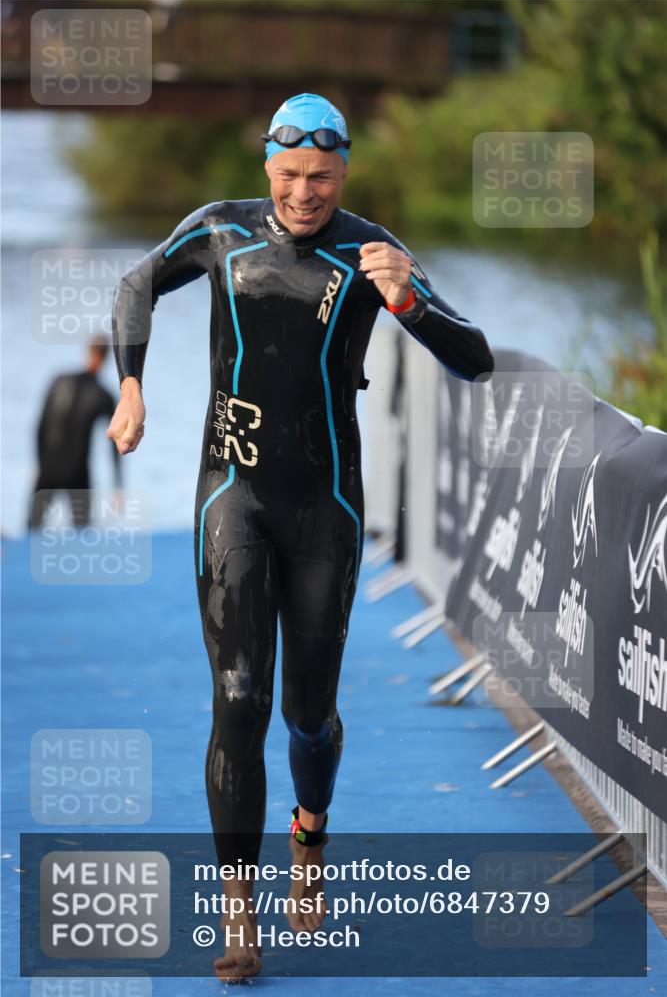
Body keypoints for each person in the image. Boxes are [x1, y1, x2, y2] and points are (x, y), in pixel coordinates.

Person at [107, 92, 494, 981]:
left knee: (306, 717)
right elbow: (136, 285)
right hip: (231, 497)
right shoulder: (219, 231)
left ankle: (310, 835)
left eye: (321, 177)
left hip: (326, 508)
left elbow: (475, 357)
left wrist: (408, 304)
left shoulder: (370, 250)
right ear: (265, 171)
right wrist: (132, 387)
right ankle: (239, 916)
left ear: (343, 171)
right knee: (238, 702)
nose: (304, 193)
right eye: (288, 176)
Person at [28, 334, 121, 529]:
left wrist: (38, 464)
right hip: (77, 472)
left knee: (32, 529)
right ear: (106, 359)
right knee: (82, 534)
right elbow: (116, 442)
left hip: (48, 468)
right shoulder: (103, 395)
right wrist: (117, 486)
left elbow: (40, 426)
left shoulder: (59, 380)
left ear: (88, 351)